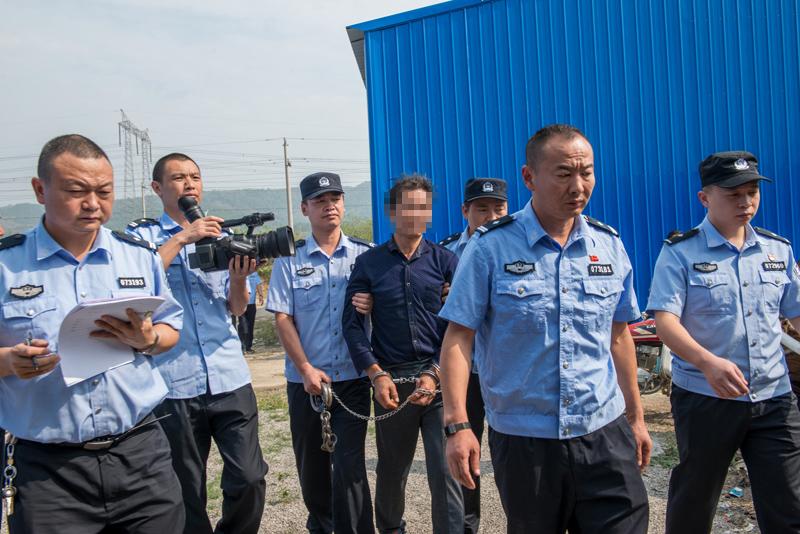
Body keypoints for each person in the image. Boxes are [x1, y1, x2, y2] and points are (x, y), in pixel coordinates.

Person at [439, 124, 651, 534]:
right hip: (525, 442)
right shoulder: (489, 247)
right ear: (529, 177)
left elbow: (618, 335)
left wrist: (637, 417)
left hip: (604, 432)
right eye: (563, 173)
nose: (578, 185)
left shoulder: (608, 245)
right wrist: (458, 425)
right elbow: (458, 339)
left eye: (586, 172)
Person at [0, 134, 185, 533]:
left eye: (103, 191)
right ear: (39, 190)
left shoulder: (138, 255)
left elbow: (172, 328)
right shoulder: (7, 267)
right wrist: (8, 361)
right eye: (76, 191)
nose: (92, 204)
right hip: (49, 472)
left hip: (141, 456)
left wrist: (149, 340)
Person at [647, 151, 800, 533]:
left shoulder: (776, 250)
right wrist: (706, 361)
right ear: (705, 198)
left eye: (751, 192)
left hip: (773, 396)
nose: (746, 202)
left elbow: (797, 312)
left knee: (789, 502)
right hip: (706, 397)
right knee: (695, 500)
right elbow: (665, 321)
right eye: (733, 194)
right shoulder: (681, 253)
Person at [127, 152, 267, 534]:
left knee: (250, 477)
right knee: (186, 488)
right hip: (173, 381)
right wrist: (184, 236)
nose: (189, 184)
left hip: (228, 375)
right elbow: (136, 276)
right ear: (158, 188)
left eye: (194, 176)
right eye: (178, 178)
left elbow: (237, 307)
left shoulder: (219, 237)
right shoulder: (140, 238)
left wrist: (239, 278)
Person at [343, 174, 464, 534]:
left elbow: (458, 329)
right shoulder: (370, 264)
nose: (415, 214)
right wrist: (375, 374)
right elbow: (352, 326)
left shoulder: (445, 262)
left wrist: (434, 372)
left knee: (445, 471)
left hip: (439, 380)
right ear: (391, 212)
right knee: (392, 470)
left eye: (422, 207)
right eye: (407, 207)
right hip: (391, 384)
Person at [267, 171, 375, 534]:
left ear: (343, 203)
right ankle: (323, 528)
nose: (329, 206)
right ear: (304, 208)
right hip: (306, 383)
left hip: (352, 380)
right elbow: (283, 318)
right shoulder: (289, 259)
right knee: (312, 469)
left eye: (335, 198)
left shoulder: (366, 256)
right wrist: (306, 368)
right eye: (319, 201)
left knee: (350, 468)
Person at [438, 177, 508, 534]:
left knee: (515, 455)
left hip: (507, 373)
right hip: (466, 372)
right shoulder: (447, 252)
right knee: (467, 452)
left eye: (498, 209)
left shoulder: (517, 248)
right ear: (466, 211)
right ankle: (468, 525)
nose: (491, 216)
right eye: (482, 209)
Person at [235, 271, 261, 353]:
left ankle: (248, 346)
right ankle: (242, 346)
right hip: (241, 303)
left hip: (251, 303)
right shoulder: (237, 272)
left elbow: (258, 284)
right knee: (242, 324)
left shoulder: (254, 273)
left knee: (250, 325)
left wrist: (261, 295)